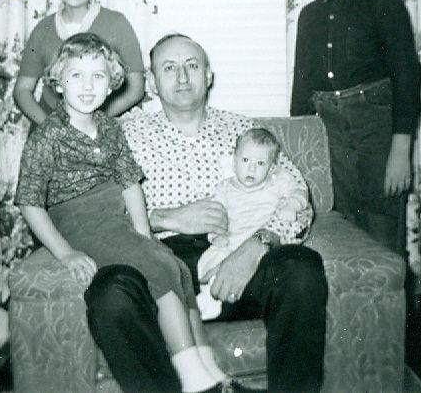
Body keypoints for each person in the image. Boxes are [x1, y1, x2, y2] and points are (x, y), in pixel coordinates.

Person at [14, 32, 235, 393]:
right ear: (58, 81)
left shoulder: (110, 127)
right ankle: (192, 377)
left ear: (112, 83)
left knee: (176, 267)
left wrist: (144, 235)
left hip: (115, 215)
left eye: (98, 76)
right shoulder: (47, 136)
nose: (88, 86)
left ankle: (209, 367)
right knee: (158, 267)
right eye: (76, 76)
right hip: (78, 219)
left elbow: (130, 184)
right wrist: (65, 253)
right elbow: (29, 201)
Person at [121, 33, 328, 393]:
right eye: (169, 68)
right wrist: (165, 217)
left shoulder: (245, 131)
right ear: (152, 82)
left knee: (301, 268)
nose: (182, 77)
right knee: (115, 292)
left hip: (240, 252)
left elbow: (298, 200)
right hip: (161, 260)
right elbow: (97, 214)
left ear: (209, 75)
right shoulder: (126, 135)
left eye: (192, 66)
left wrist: (256, 246)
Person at [290, 0, 421, 255]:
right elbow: (301, 86)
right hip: (327, 133)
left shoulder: (387, 7)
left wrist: (401, 151)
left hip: (376, 132)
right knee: (337, 224)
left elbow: (407, 78)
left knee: (381, 227)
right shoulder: (309, 15)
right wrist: (299, 149)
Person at [13, 0, 144, 126]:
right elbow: (22, 90)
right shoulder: (42, 30)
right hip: (51, 128)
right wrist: (50, 126)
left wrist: (93, 122)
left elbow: (136, 89)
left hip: (101, 127)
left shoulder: (118, 24)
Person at [196, 127, 311, 321]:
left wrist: (292, 205)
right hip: (231, 243)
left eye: (260, 163)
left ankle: (212, 300)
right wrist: (216, 236)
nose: (251, 169)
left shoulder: (278, 182)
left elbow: (300, 193)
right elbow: (216, 215)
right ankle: (209, 297)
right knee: (208, 260)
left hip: (264, 247)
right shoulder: (224, 188)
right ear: (234, 162)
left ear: (271, 168)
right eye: (245, 160)